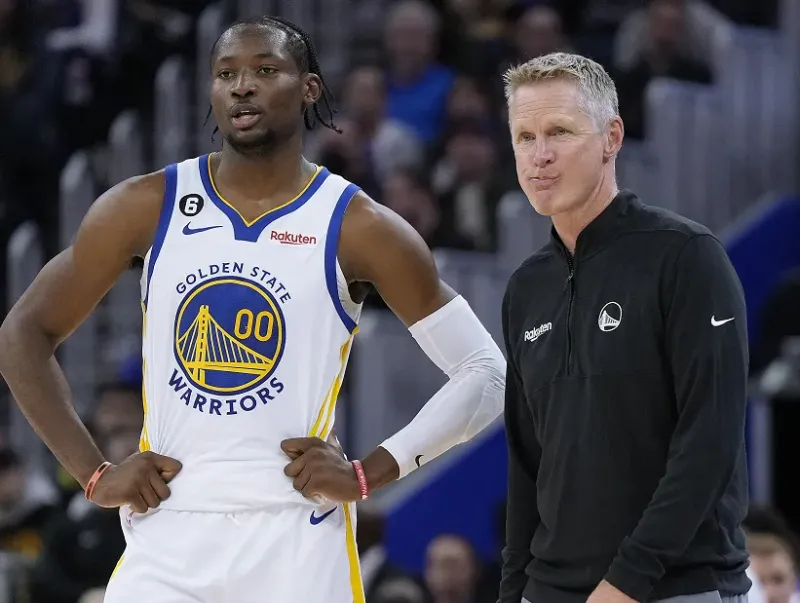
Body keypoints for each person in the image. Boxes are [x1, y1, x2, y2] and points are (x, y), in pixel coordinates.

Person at [0, 16, 505, 603]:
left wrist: (369, 473)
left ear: (309, 88)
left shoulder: (359, 226)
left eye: (265, 70)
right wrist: (94, 475)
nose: (242, 86)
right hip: (169, 530)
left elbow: (486, 373)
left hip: (297, 537)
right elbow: (22, 334)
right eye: (226, 74)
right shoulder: (145, 205)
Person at [498, 52, 751, 603]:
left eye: (560, 132)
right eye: (524, 137)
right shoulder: (525, 288)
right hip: (550, 589)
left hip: (677, 586)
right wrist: (513, 591)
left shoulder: (686, 256)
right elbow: (527, 466)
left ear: (611, 137)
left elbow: (710, 438)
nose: (540, 155)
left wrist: (627, 582)